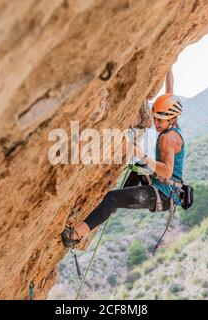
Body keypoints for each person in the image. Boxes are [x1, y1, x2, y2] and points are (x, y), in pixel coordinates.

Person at [61, 70, 185, 248]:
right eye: (155, 118)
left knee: (112, 198)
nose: (156, 124)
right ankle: (121, 197)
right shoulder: (172, 121)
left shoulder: (168, 138)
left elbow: (167, 170)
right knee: (137, 168)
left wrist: (141, 153)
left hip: (163, 194)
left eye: (160, 121)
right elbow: (169, 91)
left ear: (172, 118)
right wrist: (170, 65)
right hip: (165, 187)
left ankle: (75, 235)